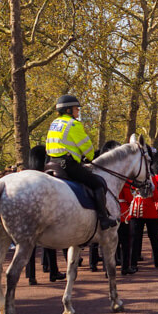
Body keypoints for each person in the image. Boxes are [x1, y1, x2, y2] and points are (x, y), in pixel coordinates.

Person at [44, 95, 116, 230]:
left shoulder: (54, 123)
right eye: (76, 109)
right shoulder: (73, 124)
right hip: (67, 165)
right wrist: (89, 157)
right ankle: (103, 219)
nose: (78, 111)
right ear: (68, 110)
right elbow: (87, 148)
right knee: (98, 183)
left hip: (51, 163)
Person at [132, 150, 158, 268]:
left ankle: (134, 262)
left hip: (136, 208)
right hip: (149, 208)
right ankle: (157, 259)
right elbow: (155, 195)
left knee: (136, 237)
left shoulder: (134, 175)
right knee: (154, 237)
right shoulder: (151, 177)